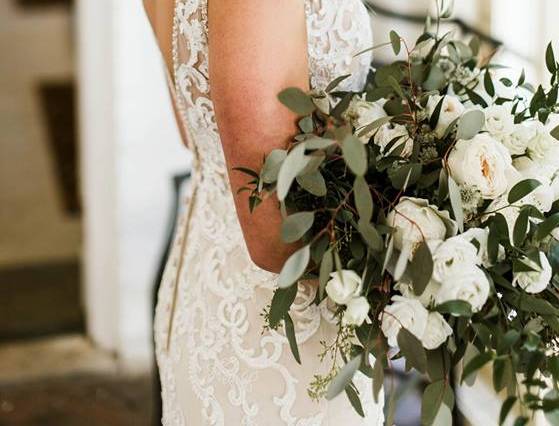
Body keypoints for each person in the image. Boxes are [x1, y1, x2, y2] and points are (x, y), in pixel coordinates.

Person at [143, 0, 383, 424]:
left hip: (207, 275)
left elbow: (196, 132)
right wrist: (420, 245)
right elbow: (274, 231)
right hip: (278, 336)